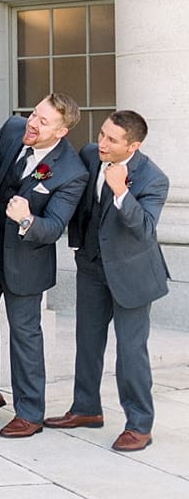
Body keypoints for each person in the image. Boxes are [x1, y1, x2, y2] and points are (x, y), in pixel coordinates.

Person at [44, 110, 170, 452]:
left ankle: (140, 425)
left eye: (112, 140)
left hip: (133, 274)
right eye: (101, 133)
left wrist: (121, 194)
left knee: (131, 352)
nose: (102, 142)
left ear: (133, 145)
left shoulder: (153, 179)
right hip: (92, 267)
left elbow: (144, 230)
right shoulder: (89, 154)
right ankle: (85, 409)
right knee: (87, 342)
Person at [0, 93, 88, 437]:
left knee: (25, 336)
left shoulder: (71, 171)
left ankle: (30, 413)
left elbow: (53, 229)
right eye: (34, 114)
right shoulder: (13, 129)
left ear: (62, 132)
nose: (32, 123)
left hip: (24, 262)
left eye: (43, 121)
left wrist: (26, 220)